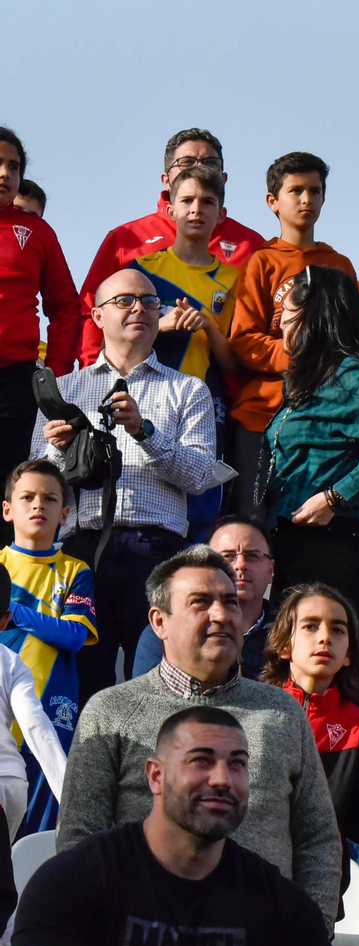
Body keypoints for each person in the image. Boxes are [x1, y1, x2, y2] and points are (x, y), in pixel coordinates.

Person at [12, 706, 342, 946]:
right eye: (201, 760)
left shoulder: (283, 906)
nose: (222, 779)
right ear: (155, 776)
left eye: (237, 764)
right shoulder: (72, 884)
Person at [55, 545, 343, 927]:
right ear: (159, 622)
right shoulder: (110, 712)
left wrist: (307, 941)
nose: (222, 615)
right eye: (200, 602)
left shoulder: (283, 713)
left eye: (230, 602)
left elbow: (319, 840)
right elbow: (79, 838)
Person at [32, 269, 215, 703]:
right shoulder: (63, 389)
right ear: (96, 316)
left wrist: (143, 430)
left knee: (155, 692)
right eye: (125, 301)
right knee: (77, 692)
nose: (140, 309)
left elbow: (202, 476)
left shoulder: (188, 389)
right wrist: (61, 451)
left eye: (151, 301)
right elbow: (35, 486)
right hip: (78, 555)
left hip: (158, 554)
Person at [262, 265, 359, 613]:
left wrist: (334, 498)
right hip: (292, 545)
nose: (280, 323)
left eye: (287, 313)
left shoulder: (349, 374)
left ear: (312, 313)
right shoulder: (303, 381)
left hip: (333, 547)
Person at [227, 152, 357, 520]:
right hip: (261, 416)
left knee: (307, 526)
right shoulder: (261, 262)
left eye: (315, 191)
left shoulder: (339, 265)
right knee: (254, 521)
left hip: (324, 422)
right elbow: (244, 340)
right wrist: (304, 360)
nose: (306, 199)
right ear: (273, 202)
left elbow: (354, 344)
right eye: (296, 190)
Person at [260, 583, 359, 907]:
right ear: (284, 645)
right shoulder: (254, 713)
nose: (325, 637)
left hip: (319, 894)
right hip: (249, 886)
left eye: (337, 630)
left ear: (349, 653)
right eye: (311, 626)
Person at [75, 127, 265, 365]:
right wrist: (96, 376)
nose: (198, 168)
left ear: (224, 178)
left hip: (217, 393)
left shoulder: (253, 245)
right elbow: (91, 313)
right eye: (186, 162)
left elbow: (255, 335)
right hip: (134, 385)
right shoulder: (126, 238)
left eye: (209, 162)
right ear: (166, 180)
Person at [127, 163, 242, 532]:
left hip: (206, 408)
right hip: (149, 402)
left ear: (221, 214)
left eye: (207, 202)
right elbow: (116, 344)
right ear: (170, 208)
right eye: (187, 200)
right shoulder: (141, 270)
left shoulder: (234, 280)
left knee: (202, 515)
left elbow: (232, 363)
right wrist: (159, 325)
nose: (196, 210)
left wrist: (208, 325)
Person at [0, 460, 93, 834]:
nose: (39, 505)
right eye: (27, 497)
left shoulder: (75, 570)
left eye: (50, 499)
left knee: (40, 829)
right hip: (6, 711)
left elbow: (74, 635)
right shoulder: (1, 563)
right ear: (7, 510)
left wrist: (14, 610)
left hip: (52, 709)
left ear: (65, 514)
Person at [0, 127, 80, 505]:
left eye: (13, 166)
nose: (4, 173)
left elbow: (66, 306)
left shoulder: (35, 230)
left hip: (16, 387)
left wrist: (55, 375)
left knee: (12, 490)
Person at [132, 514, 278, 680]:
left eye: (253, 556)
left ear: (271, 570)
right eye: (227, 556)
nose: (240, 565)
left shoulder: (290, 632)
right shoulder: (167, 630)